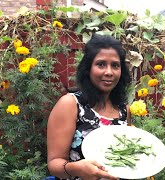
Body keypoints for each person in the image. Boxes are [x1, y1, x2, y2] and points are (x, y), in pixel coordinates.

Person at [47, 34, 131, 180]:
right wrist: (76, 168)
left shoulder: (124, 110)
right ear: (88, 68)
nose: (109, 72)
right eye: (101, 64)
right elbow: (54, 163)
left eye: (115, 65)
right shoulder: (70, 104)